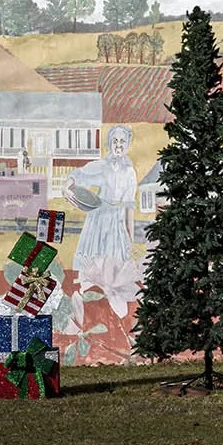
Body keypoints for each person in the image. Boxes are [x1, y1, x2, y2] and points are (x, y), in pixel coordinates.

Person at [68, 125, 141, 314]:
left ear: (128, 144)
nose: (118, 145)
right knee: (93, 256)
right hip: (98, 217)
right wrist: (67, 186)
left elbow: (129, 209)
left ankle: (110, 305)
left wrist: (130, 239)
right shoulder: (102, 166)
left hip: (116, 221)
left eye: (122, 141)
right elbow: (78, 176)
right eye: (115, 141)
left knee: (114, 260)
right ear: (109, 143)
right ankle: (87, 299)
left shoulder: (130, 173)